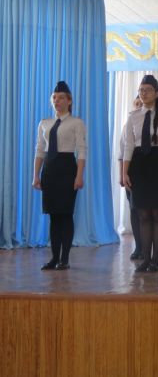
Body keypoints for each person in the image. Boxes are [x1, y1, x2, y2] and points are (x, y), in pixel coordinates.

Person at [123, 75, 158, 273]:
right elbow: (128, 147)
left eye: (147, 90)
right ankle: (145, 259)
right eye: (141, 90)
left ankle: (155, 260)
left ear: (156, 93)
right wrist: (125, 172)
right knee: (143, 214)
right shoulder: (133, 116)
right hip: (139, 165)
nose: (143, 93)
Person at [32, 81, 87, 270]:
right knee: (53, 215)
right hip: (49, 170)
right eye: (54, 97)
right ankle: (54, 257)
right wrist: (36, 175)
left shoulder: (76, 122)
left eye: (61, 97)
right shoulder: (44, 123)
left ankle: (65, 258)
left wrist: (79, 176)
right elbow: (40, 150)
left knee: (65, 214)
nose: (57, 101)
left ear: (69, 101)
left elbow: (82, 150)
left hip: (67, 169)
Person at [118, 96, 143, 260]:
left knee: (147, 211)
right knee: (134, 209)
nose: (139, 106)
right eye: (137, 104)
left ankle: (147, 248)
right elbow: (121, 153)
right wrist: (122, 174)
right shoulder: (128, 125)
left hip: (147, 172)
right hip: (131, 172)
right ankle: (138, 247)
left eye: (142, 104)